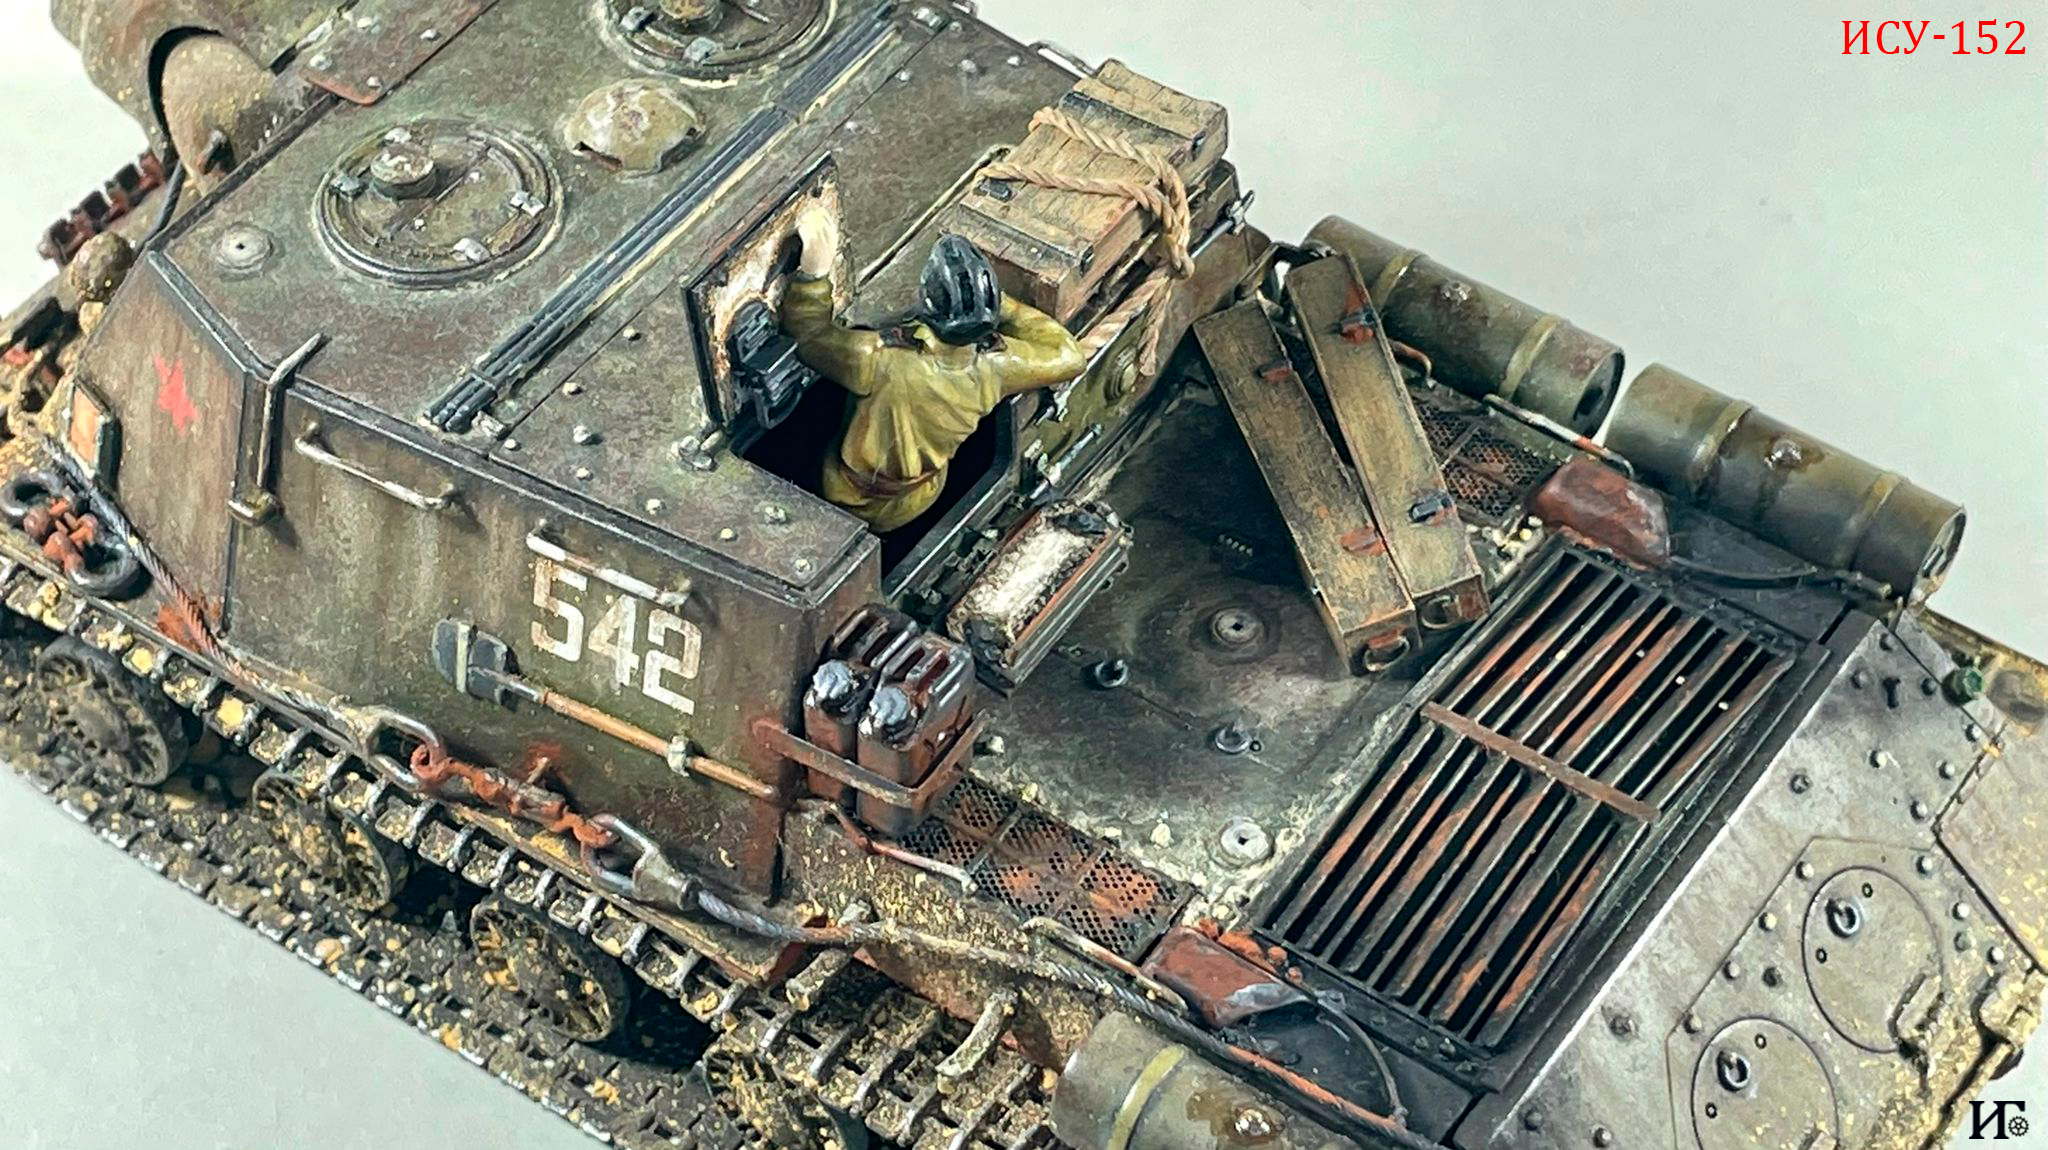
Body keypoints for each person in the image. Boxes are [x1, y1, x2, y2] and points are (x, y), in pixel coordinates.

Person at [780, 213, 1087, 532]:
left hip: (848, 495)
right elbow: (1069, 356)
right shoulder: (996, 366)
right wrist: (999, 304)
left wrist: (814, 275)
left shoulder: (880, 359)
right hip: (920, 496)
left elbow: (808, 337)